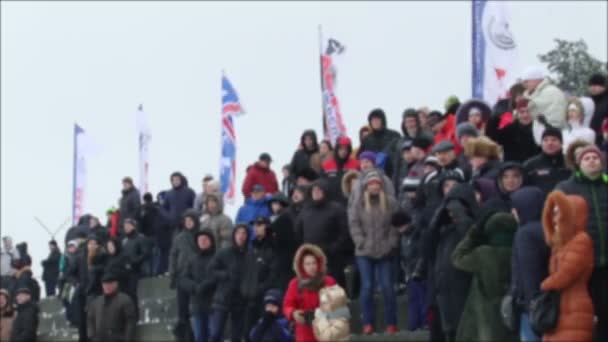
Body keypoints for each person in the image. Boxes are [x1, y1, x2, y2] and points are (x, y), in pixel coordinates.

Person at [556, 144, 608, 340]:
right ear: (578, 164)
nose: (592, 161)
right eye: (587, 158)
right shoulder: (566, 188)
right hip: (584, 265)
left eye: (595, 157)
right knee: (585, 317)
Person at [451, 212, 518, 342]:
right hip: (511, 317)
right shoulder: (517, 253)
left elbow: (457, 257)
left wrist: (473, 235)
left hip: (484, 320)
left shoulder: (484, 253)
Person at [424, 183, 478, 342]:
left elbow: (469, 239)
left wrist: (461, 217)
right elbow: (426, 250)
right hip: (440, 296)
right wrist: (435, 223)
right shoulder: (443, 231)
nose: (452, 214)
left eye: (457, 210)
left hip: (465, 297)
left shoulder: (473, 226)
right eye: (449, 211)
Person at [348, 170, 399, 334]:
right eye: (371, 184)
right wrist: (360, 241)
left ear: (381, 186)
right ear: (366, 186)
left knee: (387, 286)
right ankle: (367, 323)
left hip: (385, 251)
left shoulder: (390, 202)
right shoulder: (359, 202)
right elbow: (353, 223)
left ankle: (391, 323)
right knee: (367, 286)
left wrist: (391, 243)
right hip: (364, 251)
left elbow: (395, 224)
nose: (374, 186)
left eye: (377, 183)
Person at [541, 191, 594, 342]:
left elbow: (566, 274)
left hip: (575, 307)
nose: (555, 219)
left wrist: (545, 285)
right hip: (560, 306)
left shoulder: (581, 240)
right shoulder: (560, 243)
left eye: (560, 213)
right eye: (554, 213)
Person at [510, 186, 549, 342]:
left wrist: (530, 303)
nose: (512, 212)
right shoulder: (549, 228)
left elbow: (528, 272)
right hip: (551, 301)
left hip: (532, 306)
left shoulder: (525, 233)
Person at [295, 180, 352, 287]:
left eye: (319, 190)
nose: (316, 192)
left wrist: (333, 248)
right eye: (314, 190)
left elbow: (345, 232)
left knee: (334, 290)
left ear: (325, 191)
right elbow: (298, 232)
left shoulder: (336, 208)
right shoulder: (305, 210)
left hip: (332, 258)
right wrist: (305, 249)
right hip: (311, 258)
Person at [283, 244, 336, 342]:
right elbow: (287, 305)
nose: (311, 267)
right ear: (301, 265)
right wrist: (293, 313)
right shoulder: (294, 284)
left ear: (319, 263)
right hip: (304, 333)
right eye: (307, 264)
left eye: (314, 263)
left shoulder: (329, 281)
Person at [209, 225, 250, 342]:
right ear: (234, 235)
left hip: (241, 300)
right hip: (222, 298)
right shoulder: (224, 252)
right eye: (238, 233)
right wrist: (225, 275)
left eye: (244, 233)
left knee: (237, 336)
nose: (241, 236)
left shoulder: (250, 254)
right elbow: (211, 270)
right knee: (216, 333)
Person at [242, 217, 280, 336]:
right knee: (248, 334)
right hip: (249, 300)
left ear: (267, 227)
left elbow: (273, 275)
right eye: (255, 225)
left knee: (264, 334)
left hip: (265, 300)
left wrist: (259, 289)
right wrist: (244, 290)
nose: (256, 228)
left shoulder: (272, 248)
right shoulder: (251, 248)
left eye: (259, 224)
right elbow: (245, 272)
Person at [178, 230, 217, 342]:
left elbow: (220, 276)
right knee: (199, 336)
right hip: (197, 305)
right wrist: (195, 287)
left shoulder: (217, 257)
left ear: (211, 241)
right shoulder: (192, 260)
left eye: (205, 239)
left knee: (213, 335)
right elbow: (183, 279)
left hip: (214, 304)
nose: (203, 242)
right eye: (200, 240)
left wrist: (205, 285)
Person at [169, 210, 200, 341]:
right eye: (186, 221)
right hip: (182, 276)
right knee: (182, 310)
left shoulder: (201, 235)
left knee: (195, 309)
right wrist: (172, 274)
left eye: (190, 221)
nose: (188, 223)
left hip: (196, 277)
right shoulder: (179, 237)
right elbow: (173, 256)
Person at [487, 97, 540, 163]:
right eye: (522, 112)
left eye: (528, 111)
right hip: (513, 167)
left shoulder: (540, 128)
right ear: (517, 113)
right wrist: (495, 118)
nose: (525, 115)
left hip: (534, 167)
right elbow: (493, 137)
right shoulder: (509, 129)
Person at [87, 273, 136, 342]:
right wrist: (92, 335)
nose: (107, 286)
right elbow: (90, 319)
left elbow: (130, 321)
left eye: (109, 284)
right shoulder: (96, 302)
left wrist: (127, 338)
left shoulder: (125, 300)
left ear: (116, 284)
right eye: (105, 284)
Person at [523, 126, 571, 197]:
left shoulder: (570, 162)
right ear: (541, 143)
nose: (549, 143)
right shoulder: (530, 165)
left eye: (554, 140)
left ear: (561, 143)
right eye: (545, 140)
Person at [357, 108, 401, 177]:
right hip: (372, 176)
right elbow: (360, 157)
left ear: (383, 120)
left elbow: (400, 154)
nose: (375, 122)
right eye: (373, 120)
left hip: (391, 173)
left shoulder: (394, 135)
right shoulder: (366, 139)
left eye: (377, 119)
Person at [121, 218, 149, 314]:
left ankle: (135, 313)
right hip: (125, 271)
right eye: (125, 226)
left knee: (132, 292)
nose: (126, 228)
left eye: (128, 225)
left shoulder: (140, 238)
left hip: (138, 270)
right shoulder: (124, 241)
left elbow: (145, 253)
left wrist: (134, 262)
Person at [321, 136, 360, 204]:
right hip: (332, 203)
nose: (343, 151)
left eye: (346, 149)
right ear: (336, 149)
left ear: (349, 150)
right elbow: (322, 184)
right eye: (341, 149)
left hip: (351, 202)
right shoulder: (326, 165)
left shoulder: (356, 164)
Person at [588, 73, 608, 145]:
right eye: (591, 85)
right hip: (590, 139)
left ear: (603, 87)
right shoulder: (588, 101)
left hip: (603, 140)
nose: (593, 88)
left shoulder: (606, 102)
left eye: (596, 85)